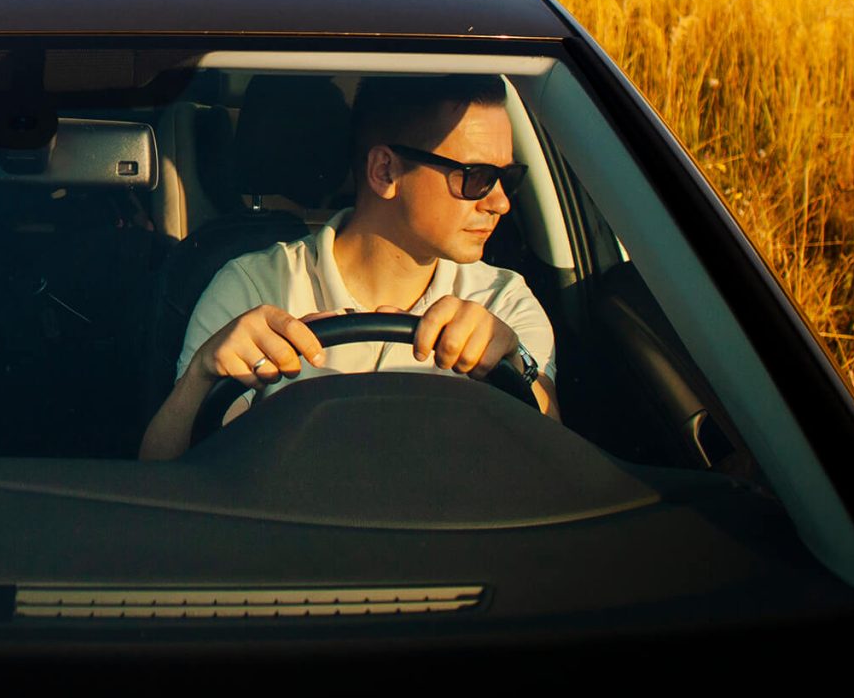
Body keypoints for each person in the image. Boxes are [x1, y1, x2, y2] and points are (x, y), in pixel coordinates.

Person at [139, 74, 557, 460]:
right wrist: (201, 376)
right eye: (477, 177)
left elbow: (557, 461)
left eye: (509, 177)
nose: (500, 202)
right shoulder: (253, 287)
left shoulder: (503, 302)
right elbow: (169, 479)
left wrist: (516, 367)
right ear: (385, 170)